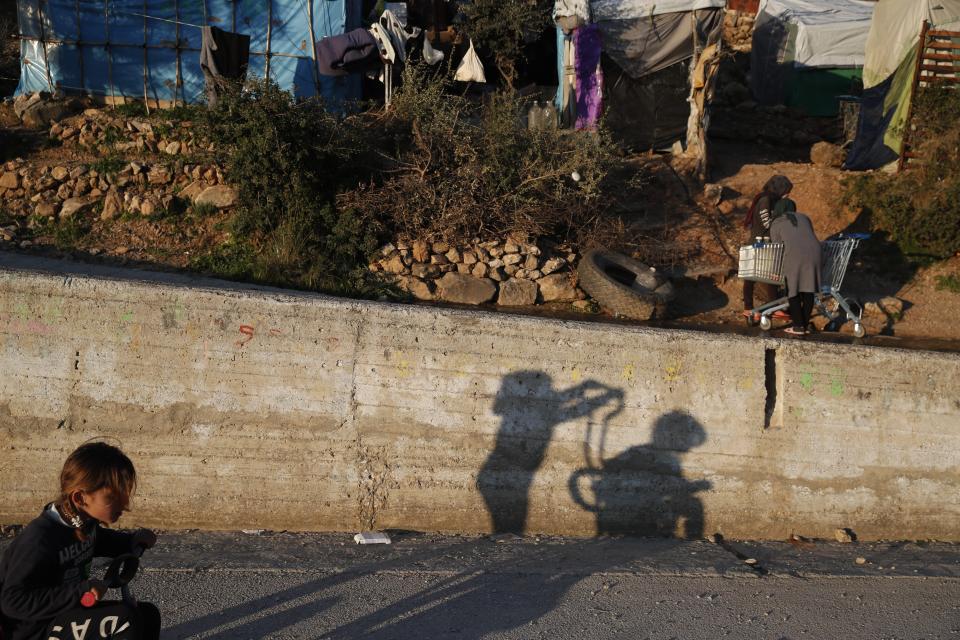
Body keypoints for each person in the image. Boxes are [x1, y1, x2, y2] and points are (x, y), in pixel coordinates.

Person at [0, 442, 161, 640]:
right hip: (34, 629)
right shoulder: (39, 539)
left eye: (124, 495)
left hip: (64, 614)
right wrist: (79, 592)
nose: (125, 505)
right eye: (113, 497)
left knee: (147, 615)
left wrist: (130, 541)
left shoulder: (82, 523)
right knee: (125, 620)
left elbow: (95, 540)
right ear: (80, 498)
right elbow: (12, 601)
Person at [742, 175, 794, 318]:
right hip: (758, 243)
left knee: (772, 276)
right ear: (779, 188)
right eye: (787, 190)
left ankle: (774, 306)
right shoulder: (765, 200)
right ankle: (748, 308)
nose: (788, 194)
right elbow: (766, 222)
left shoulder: (773, 200)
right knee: (750, 276)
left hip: (767, 243)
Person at [769, 198, 821, 336]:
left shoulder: (777, 222)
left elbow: (777, 249)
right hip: (816, 253)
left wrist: (775, 270)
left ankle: (798, 326)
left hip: (795, 255)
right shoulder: (805, 217)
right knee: (809, 289)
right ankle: (803, 325)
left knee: (793, 290)